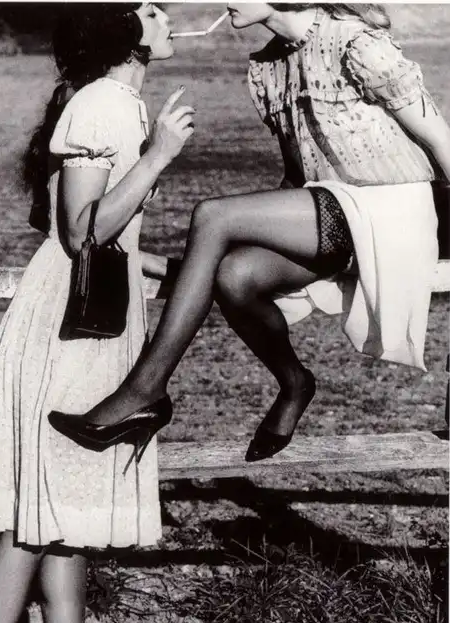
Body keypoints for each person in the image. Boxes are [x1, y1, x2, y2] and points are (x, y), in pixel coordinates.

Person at [49, 2, 450, 465]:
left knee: (214, 215)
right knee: (234, 275)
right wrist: (269, 228)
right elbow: (297, 175)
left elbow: (440, 138)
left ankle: (146, 389)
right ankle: (295, 381)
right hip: (333, 210)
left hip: (392, 209)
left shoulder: (358, 44)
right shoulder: (267, 67)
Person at [0, 4, 193, 623]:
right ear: (121, 32)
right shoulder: (102, 106)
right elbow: (80, 231)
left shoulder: (117, 101)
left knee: (62, 513)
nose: (166, 14)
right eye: (149, 9)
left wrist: (174, 268)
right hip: (68, 327)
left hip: (93, 316)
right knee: (31, 521)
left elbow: (108, 240)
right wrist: (158, 157)